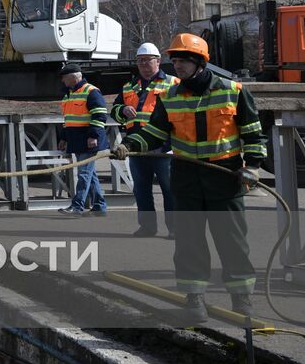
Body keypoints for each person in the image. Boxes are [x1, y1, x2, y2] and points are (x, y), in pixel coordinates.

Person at [112, 33, 266, 324]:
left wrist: (254, 166)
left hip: (225, 177)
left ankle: (241, 299)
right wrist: (129, 144)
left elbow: (253, 132)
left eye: (183, 60)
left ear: (199, 62)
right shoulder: (170, 97)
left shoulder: (233, 91)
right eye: (175, 60)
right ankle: (194, 299)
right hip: (187, 178)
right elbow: (155, 133)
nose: (177, 66)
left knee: (232, 241)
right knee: (188, 242)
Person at [111, 42, 179, 238]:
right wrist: (122, 110)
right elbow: (115, 111)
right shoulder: (129, 86)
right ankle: (147, 227)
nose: (142, 64)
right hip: (135, 148)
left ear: (157, 61)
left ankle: (175, 228)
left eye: (146, 60)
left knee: (170, 190)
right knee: (141, 190)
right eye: (139, 61)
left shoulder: (173, 83)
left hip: (164, 147)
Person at [58, 62, 109, 216]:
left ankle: (77, 206)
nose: (62, 81)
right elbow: (68, 119)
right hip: (77, 140)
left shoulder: (91, 91)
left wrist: (93, 136)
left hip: (88, 141)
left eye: (64, 78)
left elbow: (100, 114)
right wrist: (64, 138)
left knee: (84, 174)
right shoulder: (69, 94)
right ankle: (99, 206)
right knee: (90, 174)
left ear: (73, 77)